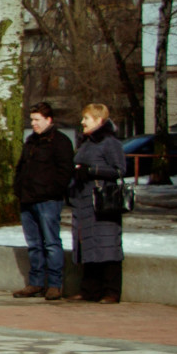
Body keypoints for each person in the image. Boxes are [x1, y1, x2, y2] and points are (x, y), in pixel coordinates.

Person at [12, 101, 75, 300]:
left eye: (37, 120)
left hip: (48, 200)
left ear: (49, 120)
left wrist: (52, 191)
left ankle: (55, 284)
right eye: (32, 120)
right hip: (28, 199)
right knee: (34, 244)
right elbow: (22, 167)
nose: (34, 124)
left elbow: (65, 172)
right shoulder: (31, 141)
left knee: (51, 242)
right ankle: (36, 282)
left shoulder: (60, 141)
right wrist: (19, 188)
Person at [67, 104, 126, 304]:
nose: (82, 122)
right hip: (84, 203)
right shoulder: (87, 143)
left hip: (103, 203)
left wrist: (91, 171)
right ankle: (89, 290)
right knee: (89, 246)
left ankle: (111, 291)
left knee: (107, 246)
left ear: (99, 120)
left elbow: (119, 170)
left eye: (86, 118)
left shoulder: (110, 143)